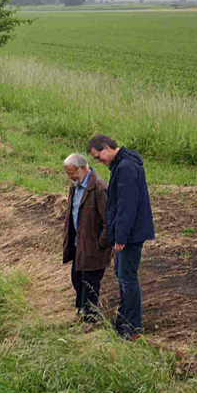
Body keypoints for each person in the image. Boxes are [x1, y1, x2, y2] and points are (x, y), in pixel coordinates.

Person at [87, 135, 155, 339]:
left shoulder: (126, 168)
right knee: (123, 275)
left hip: (130, 235)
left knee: (128, 279)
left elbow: (127, 207)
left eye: (98, 156)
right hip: (128, 233)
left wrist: (121, 238)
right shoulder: (123, 165)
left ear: (107, 148)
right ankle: (124, 321)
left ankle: (132, 327)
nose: (99, 161)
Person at [62, 153, 112, 327]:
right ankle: (81, 312)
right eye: (68, 174)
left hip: (93, 247)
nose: (71, 177)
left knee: (90, 284)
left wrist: (101, 244)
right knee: (77, 279)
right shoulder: (75, 186)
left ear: (83, 168)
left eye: (73, 173)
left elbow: (109, 221)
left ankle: (90, 320)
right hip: (78, 245)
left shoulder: (99, 188)